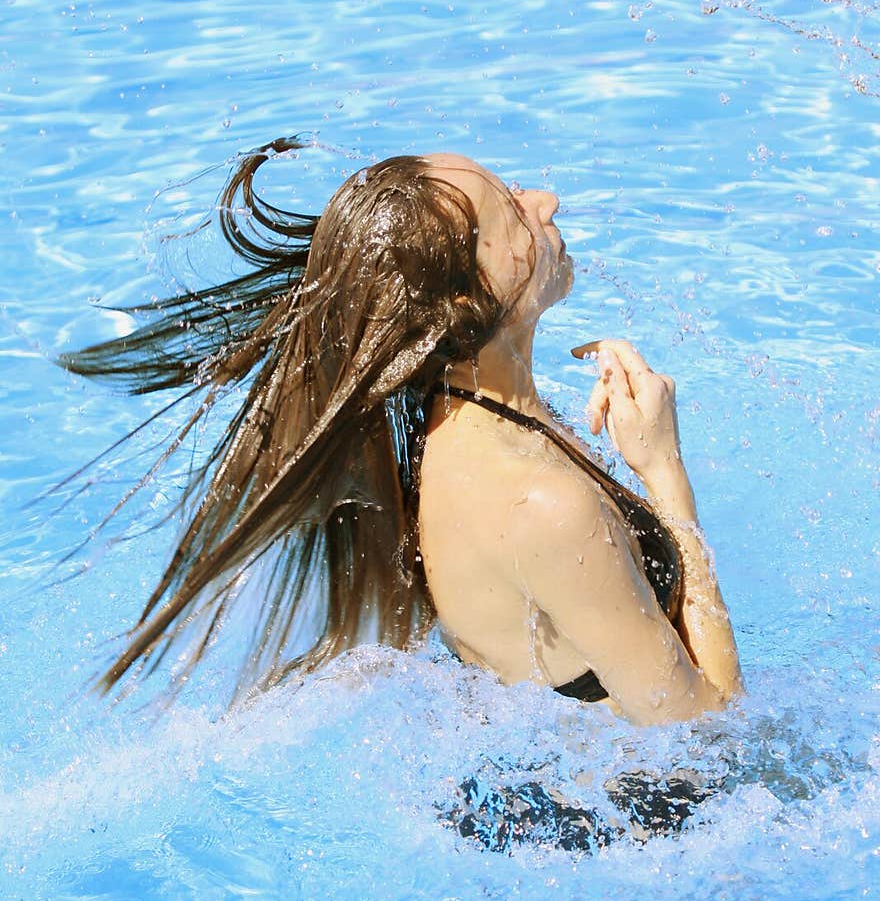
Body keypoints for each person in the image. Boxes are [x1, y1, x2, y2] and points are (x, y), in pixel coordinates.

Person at [56, 137, 743, 737]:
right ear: (468, 300)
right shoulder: (539, 501)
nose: (548, 200)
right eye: (513, 208)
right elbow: (710, 734)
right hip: (633, 842)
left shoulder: (464, 420)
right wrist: (664, 471)